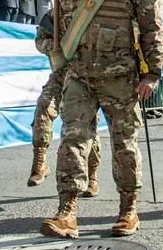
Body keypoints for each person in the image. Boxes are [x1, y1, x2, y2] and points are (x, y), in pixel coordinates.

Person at [23, 0, 163, 239]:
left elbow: (152, 26)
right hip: (78, 74)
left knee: (123, 144)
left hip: (119, 76)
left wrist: (153, 73)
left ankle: (128, 209)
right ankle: (67, 211)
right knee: (73, 139)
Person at [27, 11, 102, 196]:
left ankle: (92, 175)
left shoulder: (89, 9)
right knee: (44, 105)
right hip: (61, 74)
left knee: (87, 125)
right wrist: (54, 45)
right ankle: (40, 162)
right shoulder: (55, 13)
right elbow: (39, 41)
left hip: (84, 76)